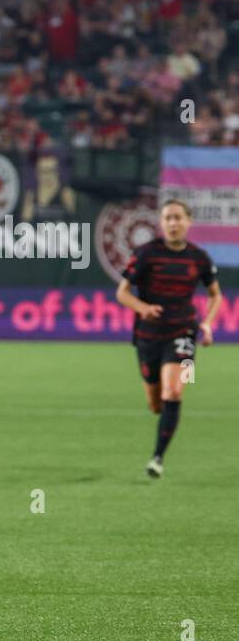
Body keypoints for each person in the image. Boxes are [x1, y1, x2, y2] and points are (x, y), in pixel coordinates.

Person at [115, 200, 223, 477]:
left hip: (184, 332)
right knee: (155, 404)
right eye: (168, 218)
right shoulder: (147, 254)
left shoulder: (200, 258)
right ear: (161, 223)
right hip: (148, 336)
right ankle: (163, 417)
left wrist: (208, 325)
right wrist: (144, 309)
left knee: (174, 390)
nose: (173, 223)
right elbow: (122, 293)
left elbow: (215, 295)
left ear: (189, 222)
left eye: (178, 218)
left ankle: (157, 459)